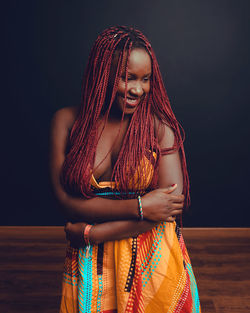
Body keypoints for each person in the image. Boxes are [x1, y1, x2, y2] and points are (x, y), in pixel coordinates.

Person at [50, 26, 201, 313]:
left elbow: (166, 211)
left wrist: (93, 235)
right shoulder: (67, 122)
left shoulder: (159, 127)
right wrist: (142, 206)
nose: (138, 89)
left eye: (145, 80)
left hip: (151, 261)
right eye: (127, 78)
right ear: (102, 74)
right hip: (91, 264)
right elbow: (64, 201)